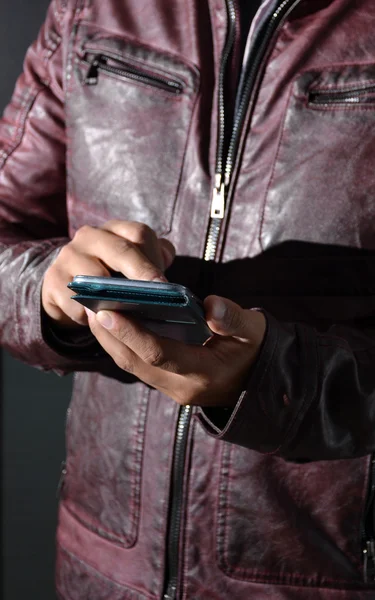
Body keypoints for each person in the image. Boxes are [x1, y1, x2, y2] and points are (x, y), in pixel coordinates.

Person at [1, 0, 375, 598]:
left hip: (320, 580)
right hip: (102, 574)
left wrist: (275, 379)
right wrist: (47, 287)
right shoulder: (92, 10)